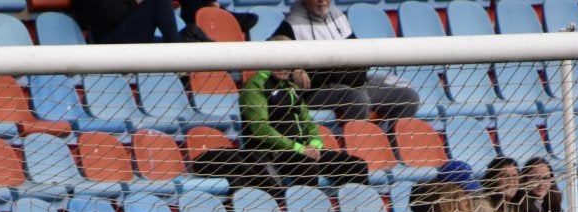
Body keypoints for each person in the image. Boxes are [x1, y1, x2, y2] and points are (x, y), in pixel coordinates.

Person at [230, 41, 370, 193]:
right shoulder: (255, 86)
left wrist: (316, 144)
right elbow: (260, 129)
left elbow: (308, 122)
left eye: (288, 61)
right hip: (273, 153)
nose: (284, 67)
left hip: (303, 150)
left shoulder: (292, 88)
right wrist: (299, 148)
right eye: (279, 60)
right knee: (308, 167)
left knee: (356, 165)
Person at [271, 0, 420, 127]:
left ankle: (393, 154)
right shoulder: (291, 25)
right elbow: (273, 50)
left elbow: (359, 57)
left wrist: (344, 71)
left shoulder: (337, 16)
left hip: (355, 83)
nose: (322, 0)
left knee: (408, 97)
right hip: (316, 92)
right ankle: (356, 156)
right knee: (358, 99)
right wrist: (294, 68)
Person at [73, 0, 205, 43]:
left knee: (191, 34)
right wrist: (136, 2)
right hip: (109, 42)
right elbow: (111, 17)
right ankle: (178, 55)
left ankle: (223, 67)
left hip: (129, 35)